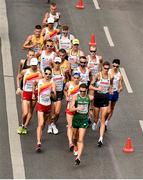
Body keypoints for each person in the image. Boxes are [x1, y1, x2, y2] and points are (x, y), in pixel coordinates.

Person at [89, 61, 113, 147]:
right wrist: (96, 88)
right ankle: (95, 122)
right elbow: (90, 86)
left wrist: (110, 90)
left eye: (108, 68)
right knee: (96, 118)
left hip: (105, 99)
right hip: (97, 97)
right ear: (102, 67)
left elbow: (111, 85)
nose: (106, 70)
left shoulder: (110, 76)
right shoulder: (97, 76)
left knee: (102, 119)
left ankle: (101, 138)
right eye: (105, 68)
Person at [16, 58, 42, 134]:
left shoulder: (40, 73)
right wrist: (18, 88)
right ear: (30, 65)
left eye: (35, 65)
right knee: (25, 113)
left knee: (31, 111)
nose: (34, 66)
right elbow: (18, 77)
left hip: (34, 94)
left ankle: (24, 126)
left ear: (37, 64)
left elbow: (41, 83)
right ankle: (22, 124)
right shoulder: (25, 71)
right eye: (32, 65)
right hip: (26, 93)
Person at [70, 83, 93, 165]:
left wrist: (90, 112)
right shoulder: (75, 97)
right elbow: (70, 108)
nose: (82, 93)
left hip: (84, 119)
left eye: (84, 91)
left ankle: (78, 158)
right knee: (74, 137)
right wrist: (77, 108)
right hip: (76, 118)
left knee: (80, 139)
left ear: (86, 90)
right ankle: (75, 146)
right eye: (81, 91)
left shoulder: (89, 98)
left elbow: (90, 107)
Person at [34, 67, 56, 152]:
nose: (47, 75)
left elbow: (54, 97)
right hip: (40, 105)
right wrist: (33, 93)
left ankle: (40, 134)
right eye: (46, 73)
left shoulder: (52, 83)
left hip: (48, 106)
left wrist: (52, 93)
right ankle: (38, 143)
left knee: (43, 125)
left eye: (49, 74)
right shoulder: (39, 81)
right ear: (43, 74)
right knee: (41, 123)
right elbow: (34, 84)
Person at [47, 57, 65, 135]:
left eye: (58, 63)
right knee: (50, 111)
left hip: (59, 93)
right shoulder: (50, 72)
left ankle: (53, 123)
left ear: (60, 63)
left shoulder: (63, 71)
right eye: (56, 63)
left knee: (57, 112)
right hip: (52, 93)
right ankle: (50, 125)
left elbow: (66, 79)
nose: (57, 64)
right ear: (53, 63)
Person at [64, 72, 80, 152]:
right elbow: (65, 90)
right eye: (75, 78)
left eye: (77, 78)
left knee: (75, 130)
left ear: (79, 78)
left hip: (78, 110)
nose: (76, 79)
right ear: (72, 78)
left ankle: (74, 141)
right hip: (70, 108)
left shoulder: (82, 86)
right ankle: (70, 143)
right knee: (70, 125)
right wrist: (66, 96)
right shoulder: (68, 84)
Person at [105, 59, 123, 130]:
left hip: (115, 92)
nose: (115, 67)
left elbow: (121, 85)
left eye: (117, 66)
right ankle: (103, 119)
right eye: (114, 66)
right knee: (108, 109)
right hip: (108, 91)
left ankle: (106, 122)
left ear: (118, 66)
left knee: (112, 108)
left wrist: (120, 89)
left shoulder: (120, 75)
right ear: (112, 65)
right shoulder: (108, 71)